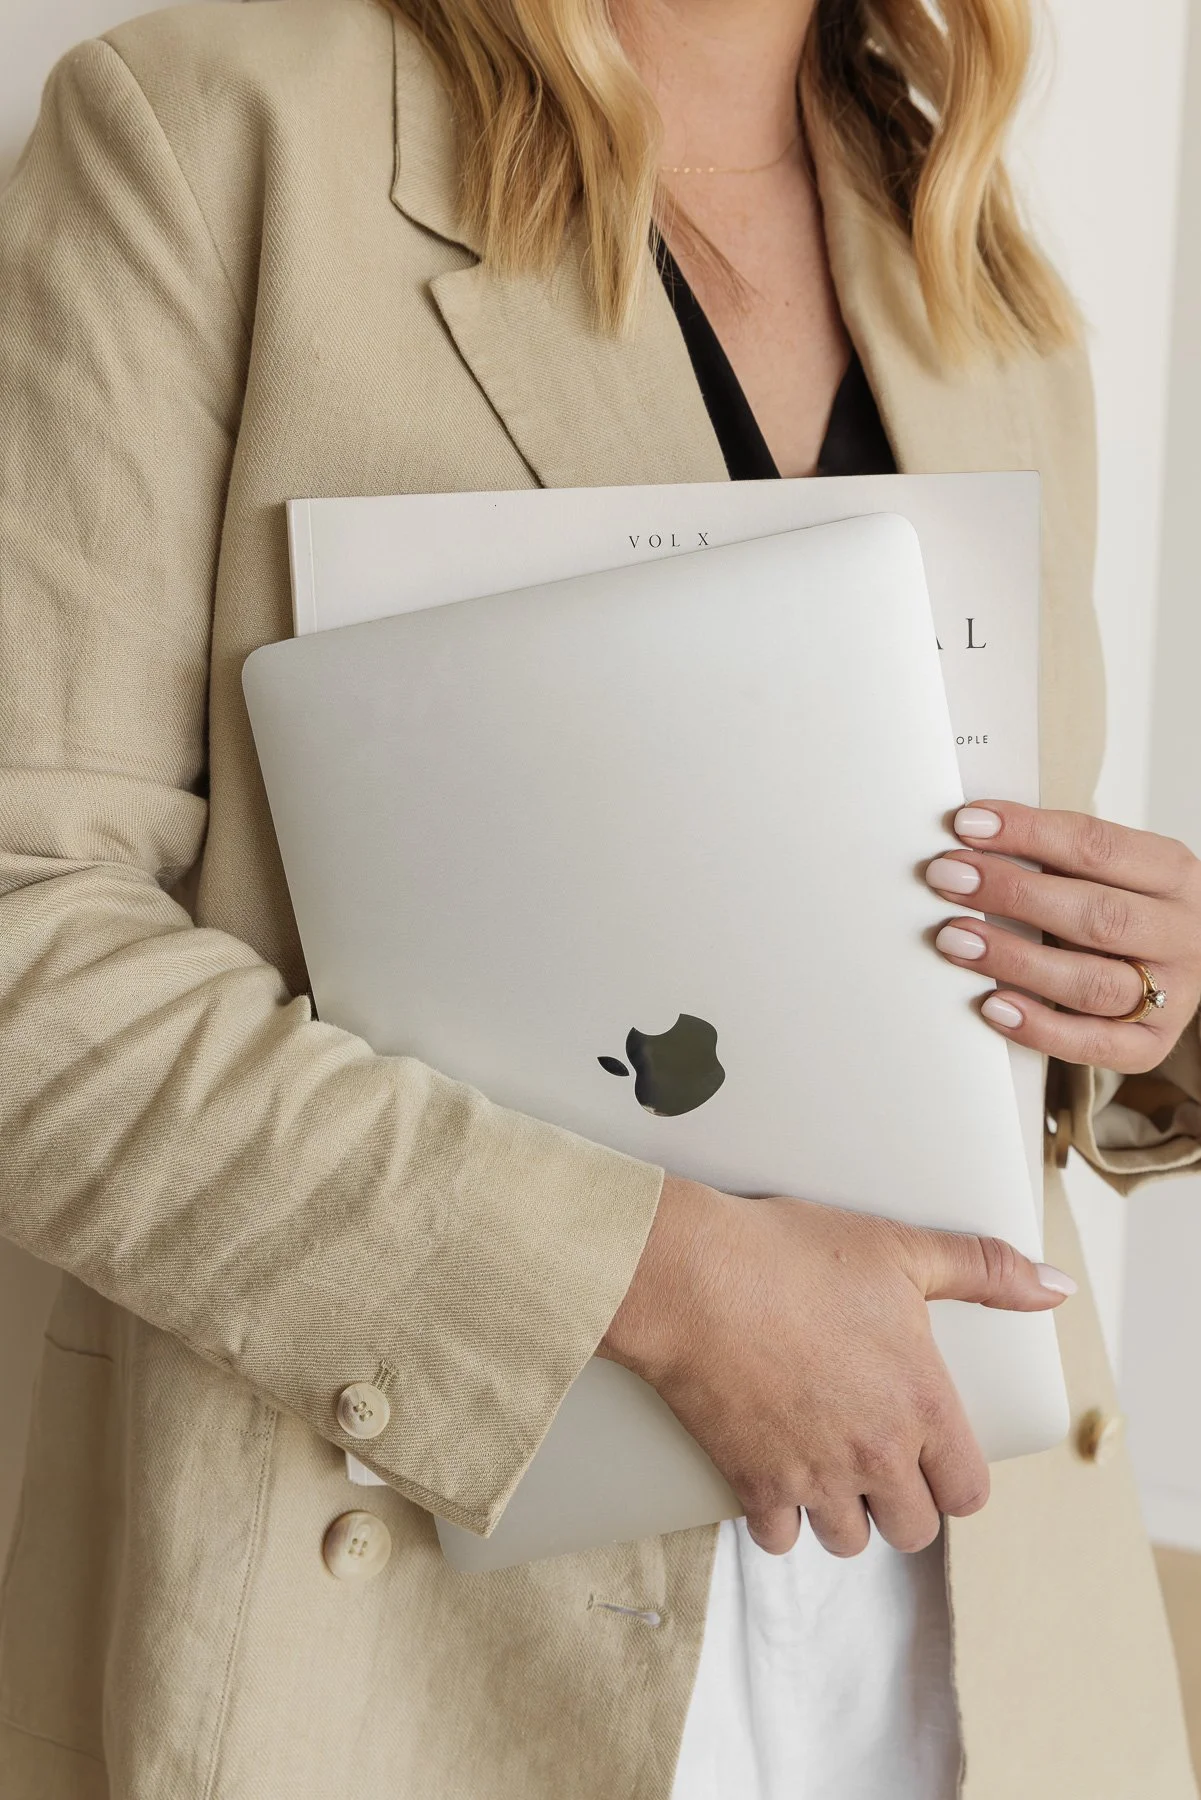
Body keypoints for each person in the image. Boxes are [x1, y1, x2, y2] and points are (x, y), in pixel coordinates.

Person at [1, 0, 1200, 1794]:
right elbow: (28, 941)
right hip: (401, 1640)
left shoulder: (974, 242)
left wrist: (1148, 995)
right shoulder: (209, 134)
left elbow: (963, 936)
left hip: (981, 1646)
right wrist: (644, 1281)